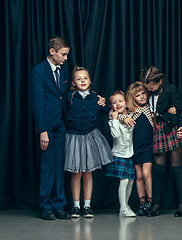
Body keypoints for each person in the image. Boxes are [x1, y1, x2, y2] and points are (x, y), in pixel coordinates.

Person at [30, 36, 71, 220]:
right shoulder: (38, 71)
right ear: (52, 51)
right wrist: (42, 129)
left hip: (61, 124)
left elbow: (65, 94)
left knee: (59, 164)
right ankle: (46, 206)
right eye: (63, 54)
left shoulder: (64, 69)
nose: (66, 58)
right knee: (48, 165)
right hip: (47, 126)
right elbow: (37, 102)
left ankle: (59, 205)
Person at [64, 66, 114, 218]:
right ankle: (76, 206)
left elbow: (108, 111)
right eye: (79, 79)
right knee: (76, 173)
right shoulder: (69, 96)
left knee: (87, 173)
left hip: (90, 137)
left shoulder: (94, 98)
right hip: (73, 137)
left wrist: (116, 110)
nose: (82, 81)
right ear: (74, 82)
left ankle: (87, 206)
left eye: (85, 78)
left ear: (90, 80)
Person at [140, 66, 182, 217]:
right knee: (159, 169)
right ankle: (155, 205)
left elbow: (181, 111)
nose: (150, 90)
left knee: (176, 167)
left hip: (172, 128)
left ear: (160, 81)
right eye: (148, 87)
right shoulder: (145, 90)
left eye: (152, 87)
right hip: (157, 130)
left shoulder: (171, 90)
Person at [124, 82, 154, 217]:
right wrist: (123, 117)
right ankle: (142, 202)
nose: (142, 97)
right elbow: (115, 113)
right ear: (132, 98)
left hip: (148, 146)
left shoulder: (150, 108)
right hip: (135, 147)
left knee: (147, 173)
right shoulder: (131, 112)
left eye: (143, 93)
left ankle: (151, 201)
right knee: (139, 175)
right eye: (138, 95)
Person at [106, 91, 136, 217]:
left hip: (129, 153)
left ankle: (126, 204)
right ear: (111, 106)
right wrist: (115, 120)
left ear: (126, 103)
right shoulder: (113, 119)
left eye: (120, 101)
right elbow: (116, 135)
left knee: (130, 181)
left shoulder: (131, 115)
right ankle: (122, 208)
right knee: (123, 181)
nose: (117, 104)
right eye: (114, 102)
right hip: (119, 154)